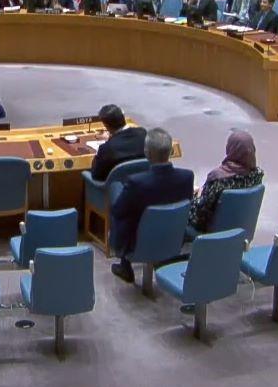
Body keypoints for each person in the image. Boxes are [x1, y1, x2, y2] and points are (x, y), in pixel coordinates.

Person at [109, 128, 193, 284]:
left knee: (117, 194)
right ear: (171, 151)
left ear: (146, 152)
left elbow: (118, 211)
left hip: (137, 242)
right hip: (173, 235)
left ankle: (124, 263)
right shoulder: (187, 177)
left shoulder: (136, 183)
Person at [190, 130, 264, 233]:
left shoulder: (218, 178)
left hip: (211, 234)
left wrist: (192, 198)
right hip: (240, 232)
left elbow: (200, 215)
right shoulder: (257, 175)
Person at [89, 104, 147, 181]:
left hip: (117, 186)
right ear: (123, 117)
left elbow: (96, 175)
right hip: (142, 182)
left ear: (105, 125)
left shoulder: (106, 149)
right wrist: (111, 137)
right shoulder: (143, 134)